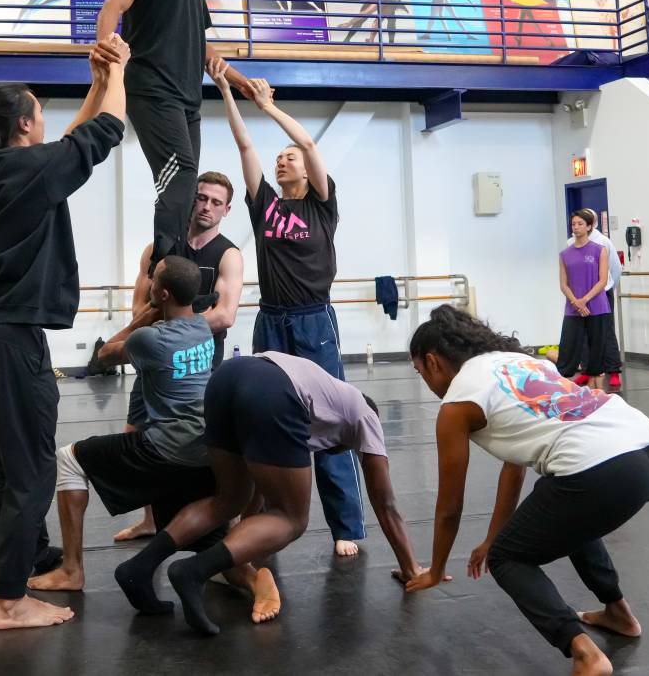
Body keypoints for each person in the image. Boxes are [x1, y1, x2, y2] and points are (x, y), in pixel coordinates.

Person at [0, 46, 127, 631]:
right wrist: (118, 72)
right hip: (9, 342)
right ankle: (11, 599)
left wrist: (95, 84)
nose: (46, 118)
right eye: (40, 111)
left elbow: (66, 144)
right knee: (30, 474)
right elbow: (106, 132)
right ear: (24, 122)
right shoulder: (29, 171)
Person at [404, 306, 649, 676]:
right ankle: (618, 614)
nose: (428, 385)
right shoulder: (520, 361)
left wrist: (437, 570)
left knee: (507, 560)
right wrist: (494, 536)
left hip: (604, 469)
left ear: (433, 362)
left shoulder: (457, 405)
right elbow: (515, 464)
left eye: (421, 373)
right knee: (567, 509)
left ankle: (584, 654)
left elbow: (449, 506)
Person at [28, 256, 281, 621]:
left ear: (160, 292)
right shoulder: (202, 328)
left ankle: (71, 569)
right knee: (204, 546)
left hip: (165, 450)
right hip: (206, 453)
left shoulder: (150, 339)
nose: (147, 281)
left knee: (68, 456)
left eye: (153, 279)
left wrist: (143, 317)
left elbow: (103, 356)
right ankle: (258, 580)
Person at [113, 351, 426, 635]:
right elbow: (385, 502)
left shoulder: (321, 404)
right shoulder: (365, 415)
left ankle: (139, 568)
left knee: (228, 499)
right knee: (292, 518)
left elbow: (259, 487)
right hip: (270, 388)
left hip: (227, 377)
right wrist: (411, 568)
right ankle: (192, 572)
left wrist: (243, 544)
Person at [208, 55, 367, 558]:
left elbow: (309, 143)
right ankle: (257, 519)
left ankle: (347, 527)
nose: (284, 160)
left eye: (289, 158)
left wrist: (269, 105)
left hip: (314, 322)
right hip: (271, 322)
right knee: (263, 422)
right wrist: (227, 91)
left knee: (333, 423)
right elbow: (244, 144)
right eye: (281, 159)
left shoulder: (322, 204)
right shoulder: (265, 206)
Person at [95, 0, 253, 274]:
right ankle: (166, 266)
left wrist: (240, 81)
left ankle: (177, 261)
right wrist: (104, 47)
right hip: (152, 90)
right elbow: (113, 4)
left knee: (185, 184)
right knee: (180, 173)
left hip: (188, 99)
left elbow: (202, 49)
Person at [103, 172, 245, 542]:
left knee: (207, 441)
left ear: (227, 210)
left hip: (199, 363)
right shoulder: (159, 248)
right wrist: (162, 332)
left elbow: (225, 314)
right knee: (136, 432)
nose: (207, 207)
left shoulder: (228, 255)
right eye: (202, 198)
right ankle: (150, 519)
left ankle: (219, 520)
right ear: (190, 199)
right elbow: (140, 307)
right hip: (155, 362)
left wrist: (177, 332)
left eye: (216, 202)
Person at [565, 209, 624, 388]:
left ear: (591, 224)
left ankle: (613, 370)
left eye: (580, 223)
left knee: (606, 332)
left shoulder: (603, 242)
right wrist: (576, 298)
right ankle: (587, 370)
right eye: (574, 223)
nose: (576, 226)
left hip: (601, 293)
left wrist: (607, 288)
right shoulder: (569, 243)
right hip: (578, 295)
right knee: (582, 333)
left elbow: (615, 268)